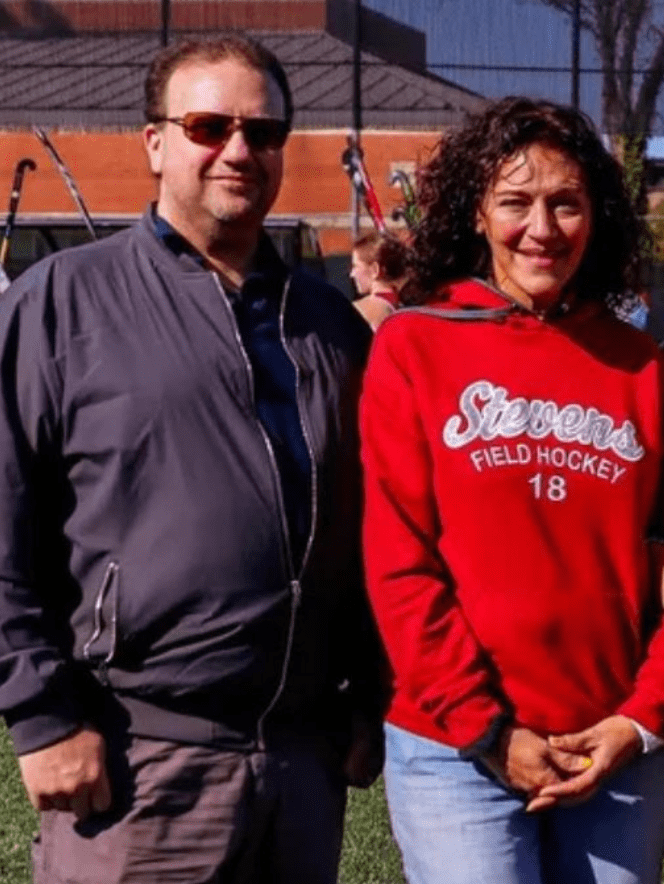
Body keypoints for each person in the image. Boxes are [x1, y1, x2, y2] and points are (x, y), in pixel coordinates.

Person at [0, 36, 382, 884]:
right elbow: (2, 527)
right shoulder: (62, 303)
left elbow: (372, 526)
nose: (239, 150)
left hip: (300, 767)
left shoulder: (330, 327)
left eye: (264, 130)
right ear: (155, 142)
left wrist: (368, 694)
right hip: (136, 765)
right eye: (209, 126)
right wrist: (42, 717)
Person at [360, 96, 664, 884]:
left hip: (619, 752)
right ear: (476, 213)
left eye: (567, 203)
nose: (543, 228)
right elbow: (398, 564)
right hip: (457, 747)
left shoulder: (638, 365)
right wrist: (487, 730)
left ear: (597, 215)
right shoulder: (414, 347)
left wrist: (644, 719)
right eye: (516, 202)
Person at [349, 230, 409, 329]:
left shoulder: (359, 310)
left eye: (355, 266)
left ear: (374, 270)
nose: (352, 274)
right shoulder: (411, 307)